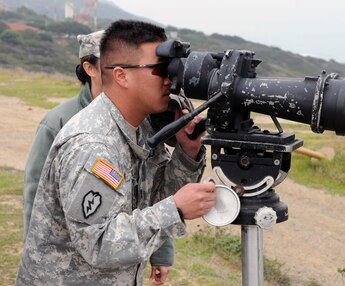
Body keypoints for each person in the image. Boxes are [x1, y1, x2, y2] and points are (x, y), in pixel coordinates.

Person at [15, 20, 216, 286]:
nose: (169, 79)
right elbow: (99, 243)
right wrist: (175, 210)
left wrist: (187, 154)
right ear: (121, 75)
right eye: (159, 69)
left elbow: (155, 196)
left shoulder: (138, 128)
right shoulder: (92, 145)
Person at [22, 30, 104, 239]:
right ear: (90, 67)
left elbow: (150, 189)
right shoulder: (58, 121)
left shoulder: (136, 118)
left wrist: (161, 253)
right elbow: (35, 189)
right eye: (113, 61)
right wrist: (33, 249)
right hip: (64, 250)